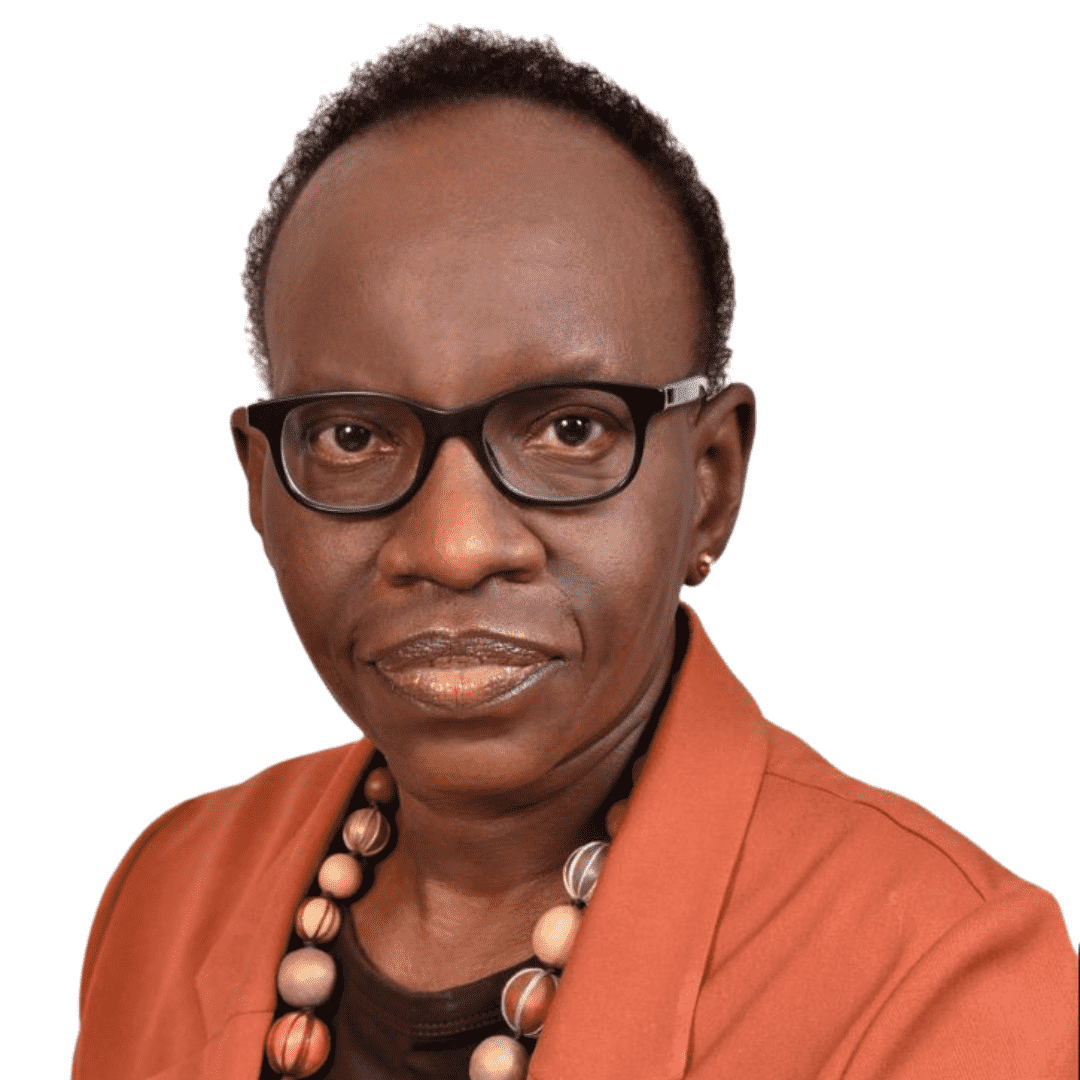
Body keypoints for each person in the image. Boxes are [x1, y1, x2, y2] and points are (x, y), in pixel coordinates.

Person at [72, 26, 1077, 1080]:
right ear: (261, 485)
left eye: (568, 428)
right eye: (354, 437)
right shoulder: (167, 898)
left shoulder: (942, 975)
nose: (455, 547)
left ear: (710, 483)